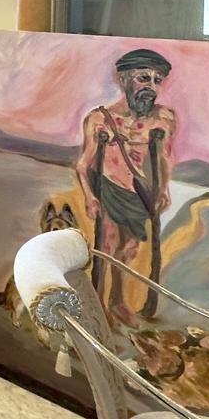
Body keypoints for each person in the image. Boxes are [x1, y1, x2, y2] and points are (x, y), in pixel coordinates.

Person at [74, 48, 177, 326]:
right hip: (109, 187)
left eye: (157, 80)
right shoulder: (99, 119)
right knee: (108, 247)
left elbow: (164, 158)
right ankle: (98, 305)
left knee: (129, 248)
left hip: (140, 194)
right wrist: (90, 196)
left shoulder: (163, 118)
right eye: (144, 78)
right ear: (123, 79)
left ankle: (117, 303)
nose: (151, 86)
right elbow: (83, 164)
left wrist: (163, 189)